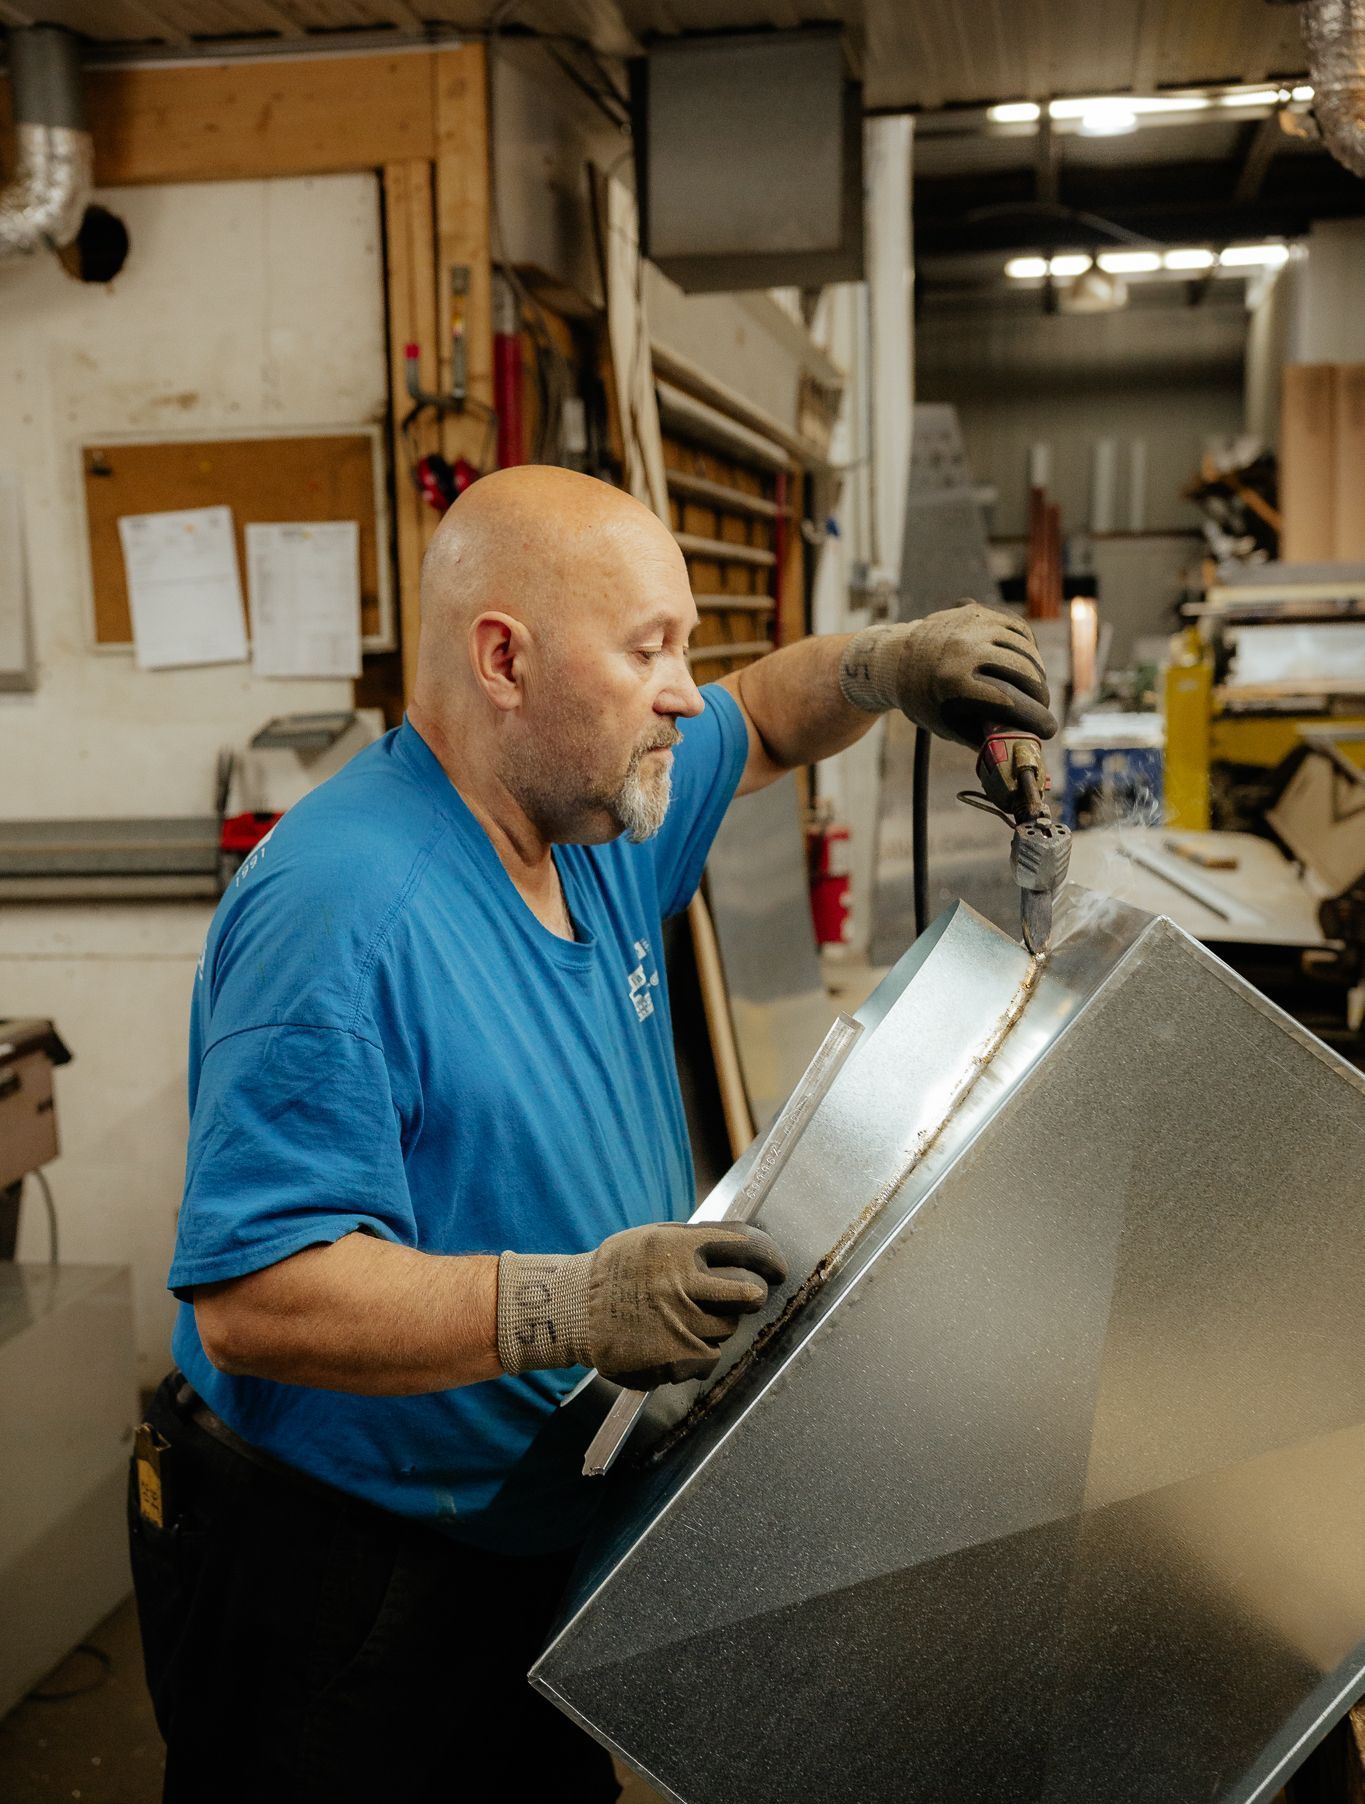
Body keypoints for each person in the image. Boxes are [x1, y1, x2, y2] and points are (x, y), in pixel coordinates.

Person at [129, 466, 1055, 1803]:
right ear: (502, 659)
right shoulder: (341, 912)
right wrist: (572, 1304)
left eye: (681, 642)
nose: (684, 689)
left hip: (528, 1537)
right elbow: (256, 1301)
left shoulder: (594, 816)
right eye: (646, 651)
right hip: (343, 1575)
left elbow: (770, 721)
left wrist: (884, 662)